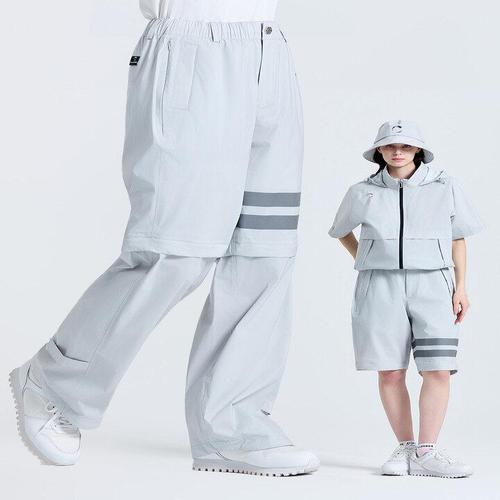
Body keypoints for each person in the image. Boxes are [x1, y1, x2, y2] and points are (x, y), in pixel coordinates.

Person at [9, 0, 320, 476]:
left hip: (268, 49)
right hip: (193, 48)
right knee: (173, 250)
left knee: (264, 253)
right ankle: (55, 382)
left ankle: (231, 428)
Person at [328, 120, 483, 478]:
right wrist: (367, 258)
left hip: (434, 285)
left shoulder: (445, 186)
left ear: (418, 150)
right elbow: (340, 231)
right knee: (390, 371)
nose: (397, 152)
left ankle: (427, 451)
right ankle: (406, 447)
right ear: (379, 151)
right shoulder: (361, 192)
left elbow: (458, 238)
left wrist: (461, 287)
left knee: (438, 368)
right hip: (379, 286)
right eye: (389, 145)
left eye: (406, 145)